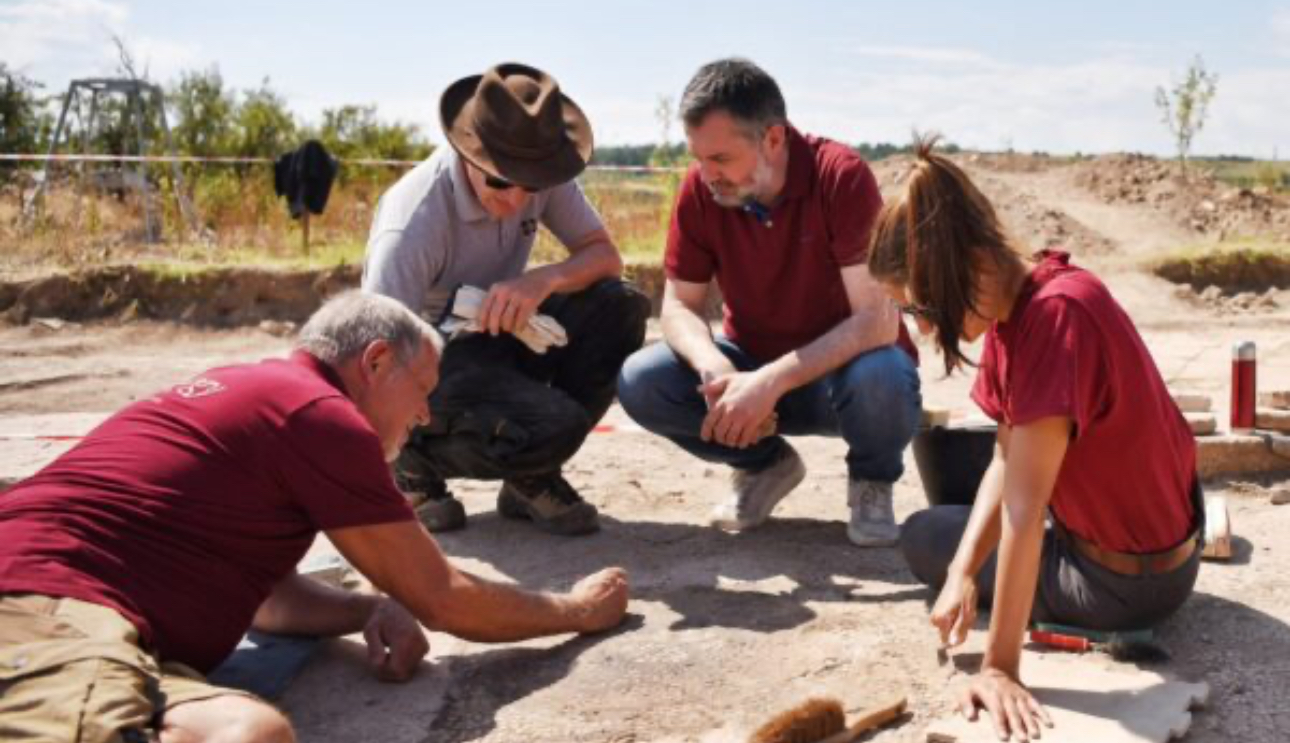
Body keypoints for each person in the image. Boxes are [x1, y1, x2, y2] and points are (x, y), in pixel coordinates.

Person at [0, 291, 630, 743]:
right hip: (44, 610)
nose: (426, 419)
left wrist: (368, 609)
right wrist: (576, 611)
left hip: (86, 619)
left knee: (253, 732)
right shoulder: (320, 416)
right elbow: (445, 600)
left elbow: (266, 601)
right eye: (422, 392)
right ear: (376, 362)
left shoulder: (259, 392)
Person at [868, 137, 1202, 741]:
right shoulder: (1024, 304)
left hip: (1126, 586)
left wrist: (1000, 667)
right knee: (947, 541)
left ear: (957, 272)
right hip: (1158, 556)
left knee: (921, 536)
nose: (919, 326)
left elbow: (1026, 508)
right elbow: (1004, 454)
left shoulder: (1054, 320)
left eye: (916, 306)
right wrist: (964, 573)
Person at [616, 58, 921, 547]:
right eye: (698, 157)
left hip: (841, 383)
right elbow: (677, 307)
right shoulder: (701, 188)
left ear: (773, 139)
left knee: (884, 373)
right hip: (748, 370)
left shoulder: (839, 177)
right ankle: (763, 465)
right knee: (641, 379)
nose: (707, 173)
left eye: (720, 159)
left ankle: (871, 482)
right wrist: (715, 369)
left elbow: (878, 321)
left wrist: (769, 382)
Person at [362, 62, 650, 537]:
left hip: (500, 336)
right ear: (466, 153)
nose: (517, 199)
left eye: (531, 184)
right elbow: (374, 357)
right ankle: (409, 469)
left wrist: (541, 280)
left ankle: (528, 476)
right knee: (555, 423)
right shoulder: (411, 224)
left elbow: (605, 257)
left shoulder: (542, 173)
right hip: (432, 358)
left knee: (621, 306)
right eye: (500, 181)